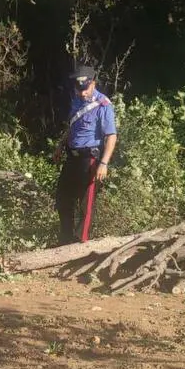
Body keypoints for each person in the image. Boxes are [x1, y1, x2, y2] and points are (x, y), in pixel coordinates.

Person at [53, 65, 118, 245]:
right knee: (63, 197)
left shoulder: (103, 105)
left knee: (85, 204)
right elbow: (73, 127)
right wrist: (60, 145)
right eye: (78, 89)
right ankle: (65, 240)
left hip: (89, 159)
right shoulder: (76, 101)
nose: (82, 93)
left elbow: (111, 137)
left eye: (86, 89)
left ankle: (80, 243)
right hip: (72, 157)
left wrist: (103, 163)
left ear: (93, 84)